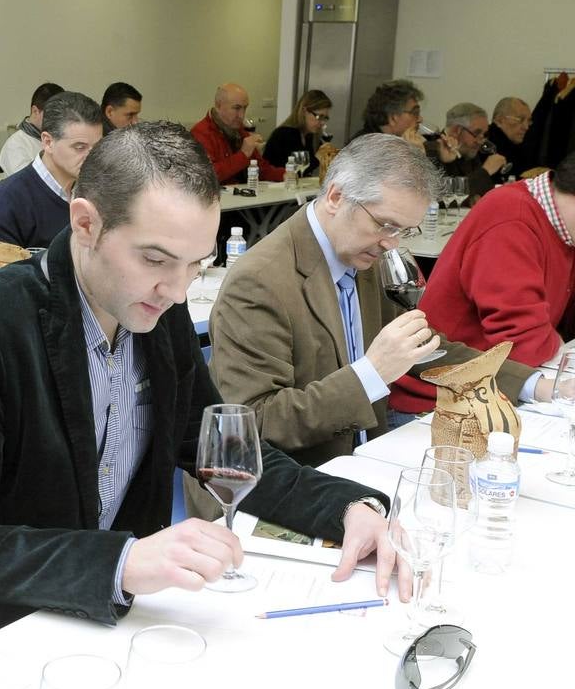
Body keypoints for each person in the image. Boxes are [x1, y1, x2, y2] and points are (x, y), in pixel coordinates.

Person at [0, 121, 409, 689]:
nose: (176, 290)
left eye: (195, 264)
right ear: (85, 223)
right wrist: (119, 562)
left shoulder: (154, 319)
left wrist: (346, 508)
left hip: (91, 632)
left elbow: (224, 454)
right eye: (155, 259)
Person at [209, 134, 546, 466]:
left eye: (403, 231)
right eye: (385, 225)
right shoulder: (259, 281)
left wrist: (535, 384)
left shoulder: (362, 254)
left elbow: (426, 349)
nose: (392, 244)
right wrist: (372, 373)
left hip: (363, 455)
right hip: (287, 482)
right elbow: (256, 423)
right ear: (336, 197)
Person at [391, 134, 575, 414]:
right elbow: (520, 346)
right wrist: (553, 338)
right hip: (440, 403)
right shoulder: (510, 221)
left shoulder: (564, 226)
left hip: (495, 389)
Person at [0, 91, 102, 249]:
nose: (92, 157)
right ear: (48, 142)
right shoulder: (6, 201)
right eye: (80, 147)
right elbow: (0, 273)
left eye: (97, 147)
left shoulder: (98, 192)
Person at [189, 83, 284, 185]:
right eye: (236, 108)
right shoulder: (201, 133)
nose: (242, 115)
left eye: (245, 108)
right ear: (218, 105)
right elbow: (206, 177)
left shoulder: (240, 131)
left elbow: (261, 170)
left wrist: (288, 174)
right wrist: (243, 155)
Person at [438, 102, 510, 198]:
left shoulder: (469, 150)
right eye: (477, 133)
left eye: (484, 135)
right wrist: (486, 171)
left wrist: (474, 198)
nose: (481, 141)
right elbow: (441, 195)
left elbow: (484, 190)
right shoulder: (433, 148)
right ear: (457, 130)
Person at [0, 81, 63, 174]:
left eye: (61, 116)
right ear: (35, 111)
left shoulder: (60, 140)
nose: (57, 121)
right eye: (52, 115)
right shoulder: (16, 145)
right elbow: (27, 183)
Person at [263, 89, 331, 177]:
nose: (322, 123)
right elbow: (297, 169)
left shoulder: (310, 136)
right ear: (304, 111)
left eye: (325, 118)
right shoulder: (285, 134)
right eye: (319, 116)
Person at [487, 96, 536, 175]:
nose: (526, 127)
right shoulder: (485, 145)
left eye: (529, 121)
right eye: (520, 119)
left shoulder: (523, 144)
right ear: (499, 120)